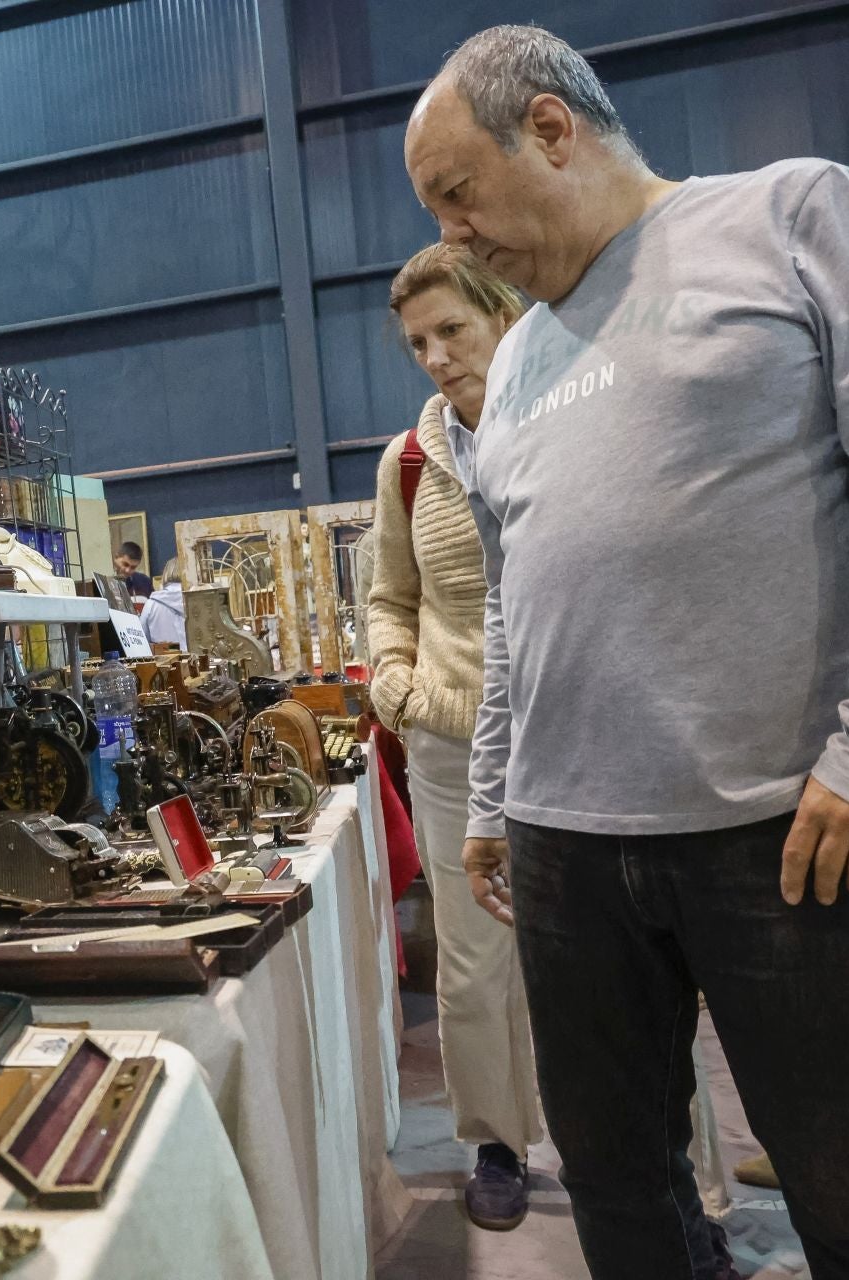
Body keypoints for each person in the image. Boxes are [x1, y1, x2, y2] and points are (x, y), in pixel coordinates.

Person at [407, 25, 849, 1280]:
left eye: (458, 194)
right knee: (623, 1195)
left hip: (783, 834)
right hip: (567, 854)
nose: (452, 234)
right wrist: (497, 793)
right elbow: (516, 602)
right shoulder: (514, 372)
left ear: (550, 130)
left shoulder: (792, 214)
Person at [366, 243, 543, 1229]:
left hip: (570, 740)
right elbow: (388, 598)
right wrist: (397, 684)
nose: (434, 355)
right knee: (472, 960)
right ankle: (496, 1140)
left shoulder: (566, 428)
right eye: (416, 342)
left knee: (612, 954)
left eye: (452, 330)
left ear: (504, 315)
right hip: (446, 744)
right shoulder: (411, 462)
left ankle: (646, 1149)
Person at [140, 559, 188, 647]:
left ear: (165, 573)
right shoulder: (197, 600)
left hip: (165, 659)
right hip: (200, 659)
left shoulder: (151, 604)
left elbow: (142, 640)